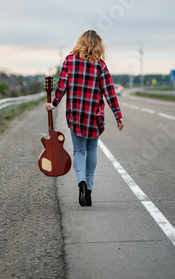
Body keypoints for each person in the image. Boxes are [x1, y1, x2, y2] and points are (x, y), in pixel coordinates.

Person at [46, 30, 124, 207]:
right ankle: (88, 190)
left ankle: (80, 183)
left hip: (75, 116)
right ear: (98, 45)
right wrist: (118, 115)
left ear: (80, 42)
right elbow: (109, 91)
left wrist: (54, 103)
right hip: (94, 116)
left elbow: (61, 86)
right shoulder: (100, 65)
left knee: (79, 151)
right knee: (92, 151)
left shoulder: (69, 61)